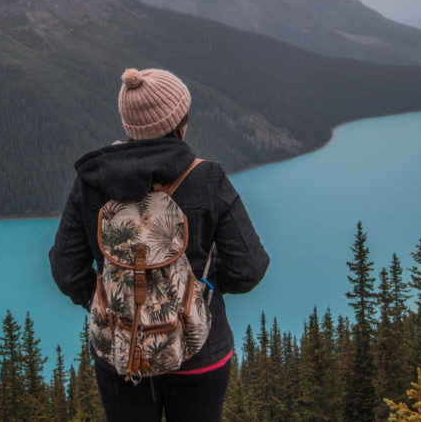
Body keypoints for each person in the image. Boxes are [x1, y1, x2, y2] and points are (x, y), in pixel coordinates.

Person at [49, 67, 270, 422]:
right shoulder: (208, 178)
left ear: (129, 124)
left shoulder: (91, 181)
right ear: (181, 122)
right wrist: (203, 291)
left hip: (122, 354)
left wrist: (112, 301)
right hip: (200, 352)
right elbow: (249, 267)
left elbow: (65, 270)